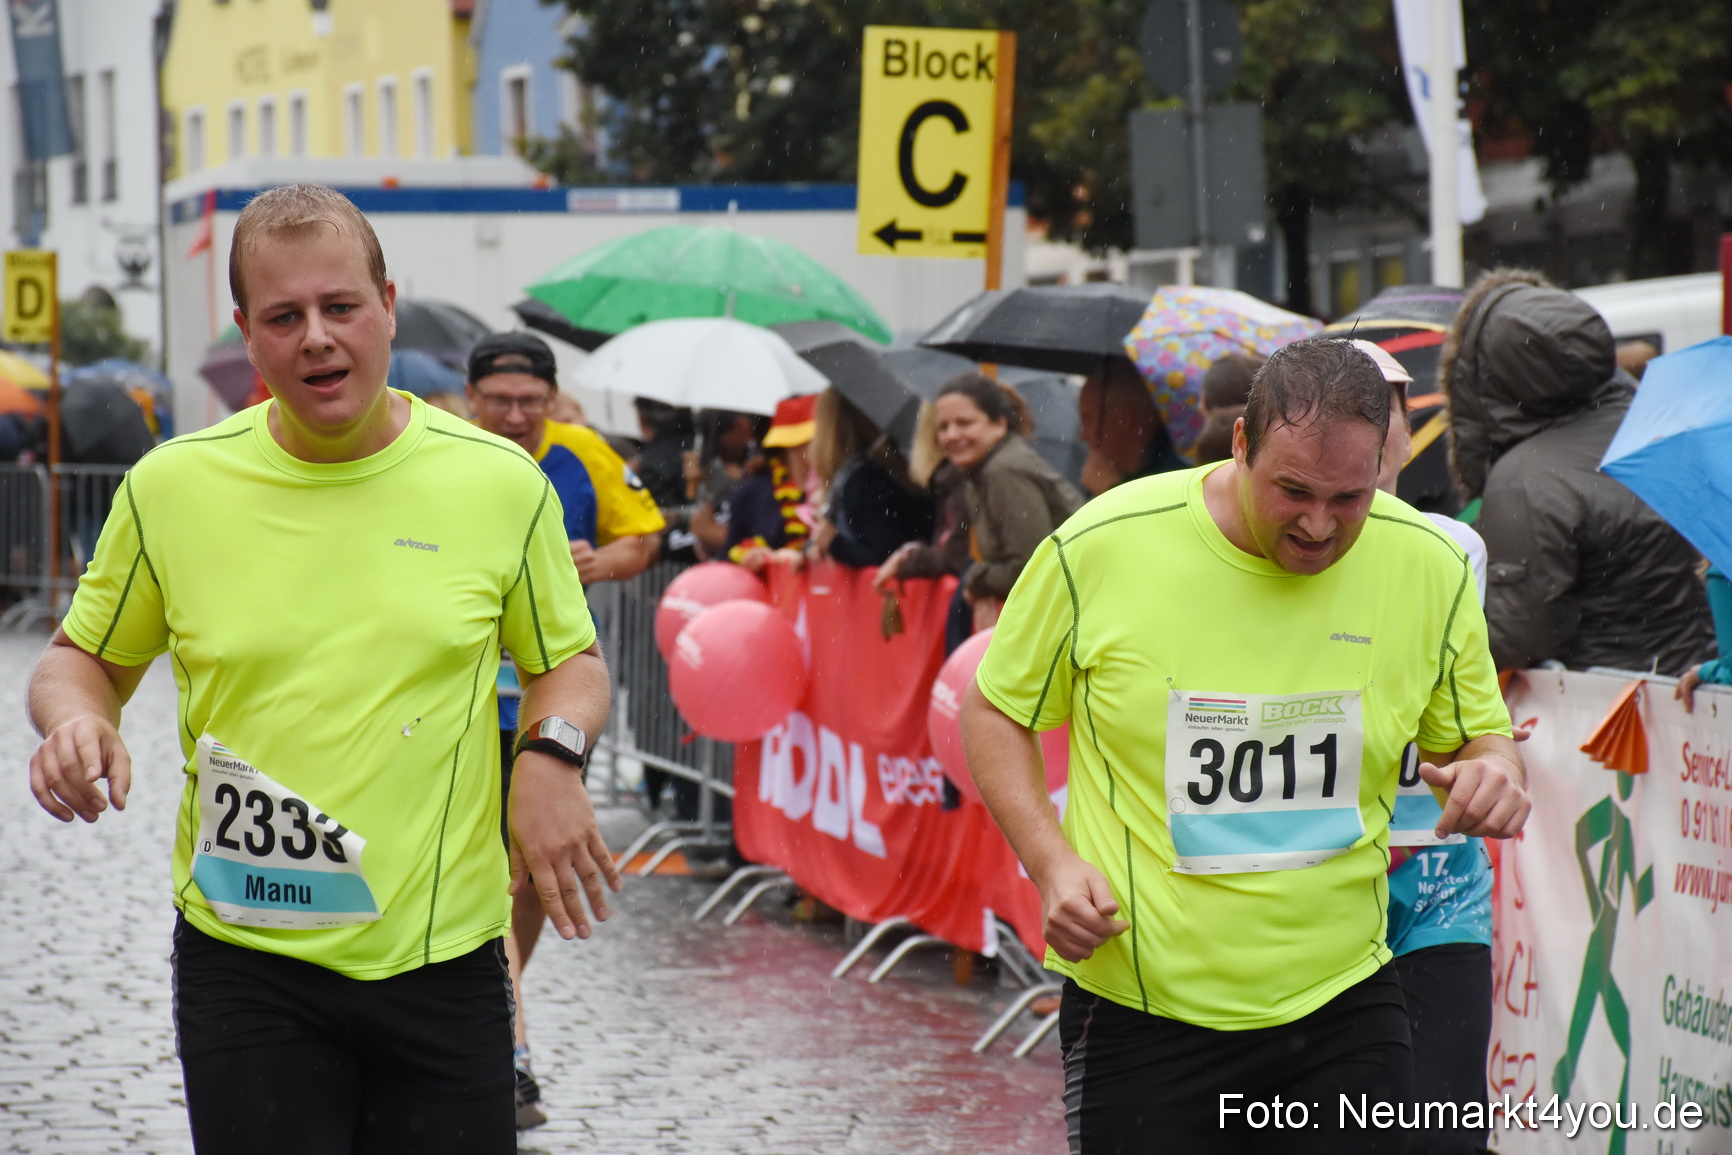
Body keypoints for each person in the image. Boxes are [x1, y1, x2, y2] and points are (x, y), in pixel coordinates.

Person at [25, 184, 620, 1155]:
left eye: (340, 307)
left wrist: (549, 757)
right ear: (246, 333)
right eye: (284, 315)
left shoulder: (495, 483)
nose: (317, 338)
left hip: (444, 961)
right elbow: (78, 660)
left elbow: (572, 666)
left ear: (387, 303)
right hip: (245, 960)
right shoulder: (172, 486)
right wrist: (74, 721)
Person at [962, 337, 1528, 1154]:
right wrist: (1050, 860)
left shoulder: (1428, 562)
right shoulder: (1105, 545)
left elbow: (1480, 735)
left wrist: (1494, 772)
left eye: (1350, 496)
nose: (1319, 523)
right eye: (1292, 489)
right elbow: (994, 706)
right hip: (1145, 1005)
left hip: (1344, 998)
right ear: (1239, 444)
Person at [464, 329, 664, 1127]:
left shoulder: (583, 454)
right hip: (468, 702)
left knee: (533, 881)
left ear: (552, 401)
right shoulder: (436, 454)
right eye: (499, 401)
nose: (515, 416)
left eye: (530, 403)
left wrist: (597, 561)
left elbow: (644, 538)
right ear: (471, 397)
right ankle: (507, 1055)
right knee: (491, 876)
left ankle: (495, 1014)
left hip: (556, 696)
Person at [1441, 268, 1714, 674]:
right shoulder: (1666, 427)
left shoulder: (1525, 479)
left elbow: (1522, 635)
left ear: (1488, 373)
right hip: (1702, 686)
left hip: (1611, 714)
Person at [1366, 337, 1496, 1155]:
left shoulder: (1453, 546)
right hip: (1310, 881)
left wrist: (1497, 759)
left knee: (1445, 1118)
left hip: (1437, 869)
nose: (1363, 437)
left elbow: (1462, 700)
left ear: (1405, 435)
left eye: (1381, 417)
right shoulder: (1256, 558)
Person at [890, 373, 1082, 633]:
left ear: (999, 424)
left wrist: (975, 580)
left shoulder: (1002, 471)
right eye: (943, 427)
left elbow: (1029, 564)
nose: (952, 435)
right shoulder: (980, 472)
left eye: (965, 423)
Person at [810, 387, 933, 567]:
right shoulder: (890, 468)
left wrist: (835, 544)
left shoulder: (868, 478)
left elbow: (886, 555)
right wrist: (811, 549)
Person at [723, 394, 815, 572]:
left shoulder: (832, 488)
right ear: (791, 446)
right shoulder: (751, 491)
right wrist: (751, 556)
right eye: (813, 441)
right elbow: (728, 554)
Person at [1077, 358, 1188, 496]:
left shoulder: (1179, 478)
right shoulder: (1133, 467)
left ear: (1124, 418)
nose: (1082, 434)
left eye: (1088, 419)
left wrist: (1111, 492)